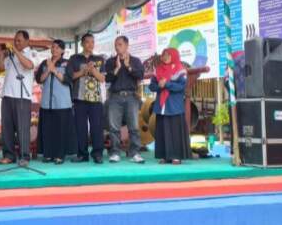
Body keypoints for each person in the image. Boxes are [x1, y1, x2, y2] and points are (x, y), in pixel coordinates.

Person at [0, 30, 35, 166]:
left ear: (27, 41)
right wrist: (1, 55)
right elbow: (1, 68)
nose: (16, 43)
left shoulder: (31, 53)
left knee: (22, 128)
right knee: (7, 128)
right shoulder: (11, 55)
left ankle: (25, 156)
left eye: (19, 40)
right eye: (15, 40)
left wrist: (16, 51)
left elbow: (29, 65)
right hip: (7, 95)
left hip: (22, 97)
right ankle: (9, 155)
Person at [105, 35, 145, 164]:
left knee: (133, 126)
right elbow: (107, 79)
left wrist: (128, 66)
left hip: (131, 96)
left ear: (127, 45)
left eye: (120, 44)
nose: (117, 47)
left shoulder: (135, 61)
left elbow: (140, 75)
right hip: (115, 96)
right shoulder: (110, 61)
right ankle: (115, 152)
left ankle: (135, 153)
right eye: (116, 45)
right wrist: (117, 68)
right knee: (114, 127)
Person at [67, 33, 106, 164]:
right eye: (88, 42)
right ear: (82, 43)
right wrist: (84, 71)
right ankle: (82, 154)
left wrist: (93, 70)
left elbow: (102, 78)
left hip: (96, 99)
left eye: (92, 42)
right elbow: (70, 76)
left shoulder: (99, 59)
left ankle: (97, 154)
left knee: (97, 127)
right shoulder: (74, 58)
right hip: (79, 98)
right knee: (80, 127)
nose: (90, 44)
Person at [36, 40, 76, 164]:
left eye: (58, 48)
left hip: (62, 103)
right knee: (47, 129)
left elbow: (68, 80)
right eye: (53, 47)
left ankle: (60, 155)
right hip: (47, 103)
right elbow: (39, 79)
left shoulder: (67, 63)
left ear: (63, 50)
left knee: (61, 131)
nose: (54, 49)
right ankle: (48, 154)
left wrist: (54, 70)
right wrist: (48, 69)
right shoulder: (45, 63)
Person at [149, 48, 191, 165]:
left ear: (174, 56)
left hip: (174, 106)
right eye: (164, 55)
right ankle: (164, 156)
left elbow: (181, 87)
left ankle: (176, 156)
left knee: (175, 132)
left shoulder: (180, 69)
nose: (165, 57)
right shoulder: (158, 70)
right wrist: (159, 85)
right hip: (161, 106)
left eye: (168, 55)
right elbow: (151, 86)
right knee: (162, 131)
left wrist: (167, 84)